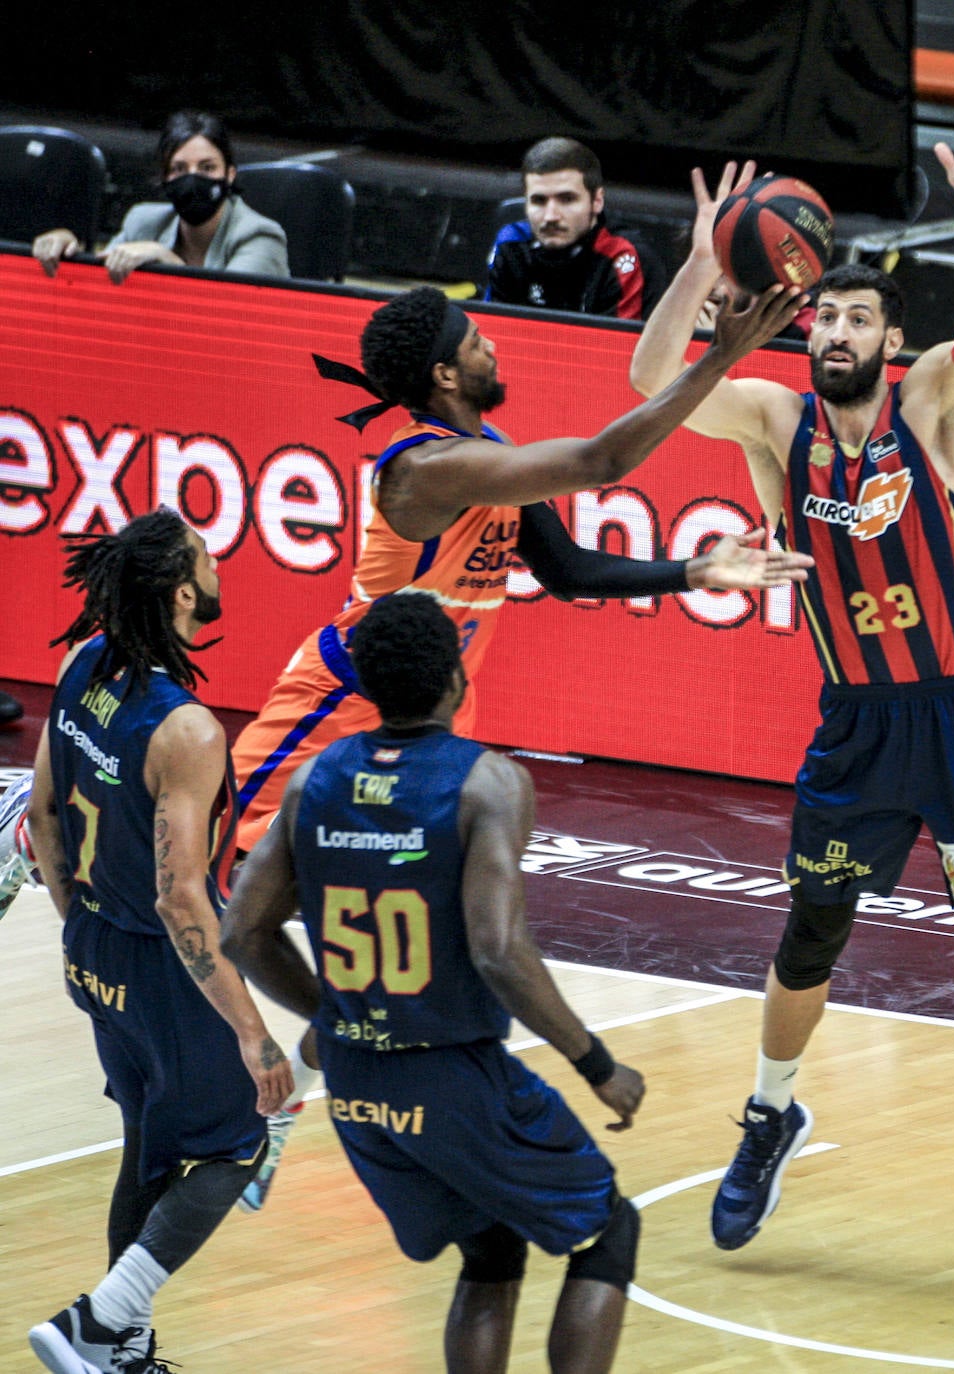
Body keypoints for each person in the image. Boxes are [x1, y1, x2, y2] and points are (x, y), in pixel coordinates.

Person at [629, 95, 954, 1322]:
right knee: (808, 937)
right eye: (821, 312)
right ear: (798, 321)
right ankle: (769, 1114)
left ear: (889, 337)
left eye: (854, 315)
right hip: (856, 723)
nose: (833, 328)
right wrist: (691, 269)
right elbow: (645, 377)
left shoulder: (935, 404)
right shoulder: (771, 421)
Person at [226, 279, 813, 1211]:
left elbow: (571, 569)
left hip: (430, 728)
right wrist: (720, 358)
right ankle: (31, 832)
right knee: (212, 889)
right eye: (476, 339)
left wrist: (692, 568)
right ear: (443, 372)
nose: (492, 345)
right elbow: (603, 458)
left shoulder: (488, 456)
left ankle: (278, 1108)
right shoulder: (425, 469)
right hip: (335, 708)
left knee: (402, 951)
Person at [221, 590, 645, 1374]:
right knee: (605, 1231)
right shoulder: (487, 782)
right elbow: (496, 950)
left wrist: (338, 1012)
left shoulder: (314, 780)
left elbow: (243, 931)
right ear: (455, 677)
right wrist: (596, 1064)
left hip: (355, 1085)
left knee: (488, 1251)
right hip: (453, 1077)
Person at [25, 507, 293, 1374]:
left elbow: (41, 816)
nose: (218, 568)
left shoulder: (80, 663)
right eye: (208, 559)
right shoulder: (187, 731)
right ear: (184, 591)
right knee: (239, 1143)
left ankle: (121, 1347)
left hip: (94, 946)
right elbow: (182, 899)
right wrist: (252, 1033)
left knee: (149, 1148)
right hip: (159, 963)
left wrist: (82, 929)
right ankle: (97, 1323)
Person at [32, 110, 288, 284]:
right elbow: (100, 285)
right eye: (179, 169)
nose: (192, 178)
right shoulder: (143, 221)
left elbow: (228, 318)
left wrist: (169, 263)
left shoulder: (259, 235)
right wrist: (69, 252)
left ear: (230, 175)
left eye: (207, 168)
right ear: (165, 178)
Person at [485, 136, 667, 319]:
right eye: (539, 201)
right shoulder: (511, 242)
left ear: (597, 201)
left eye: (567, 199)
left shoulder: (624, 256)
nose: (551, 216)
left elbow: (622, 346)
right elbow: (489, 333)